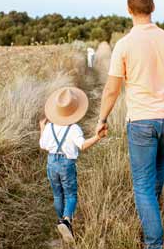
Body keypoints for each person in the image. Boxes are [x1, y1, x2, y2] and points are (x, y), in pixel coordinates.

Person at [95, 0, 164, 249]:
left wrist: (101, 119)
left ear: (129, 9)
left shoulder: (125, 45)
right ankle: (155, 216)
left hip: (141, 121)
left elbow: (111, 90)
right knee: (158, 171)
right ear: (153, 7)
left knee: (142, 184)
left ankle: (154, 242)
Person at [39, 86, 107, 243]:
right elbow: (82, 145)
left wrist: (42, 128)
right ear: (75, 110)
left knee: (57, 194)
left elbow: (43, 145)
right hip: (66, 163)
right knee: (70, 194)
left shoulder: (49, 126)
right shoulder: (74, 128)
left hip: (51, 162)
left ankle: (60, 221)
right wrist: (98, 137)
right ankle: (66, 220)